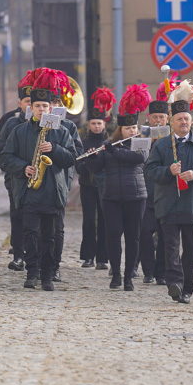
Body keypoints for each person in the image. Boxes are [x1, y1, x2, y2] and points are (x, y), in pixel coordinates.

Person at [0, 69, 77, 290]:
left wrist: (54, 149)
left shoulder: (61, 131)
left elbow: (71, 158)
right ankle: (31, 273)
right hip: (29, 190)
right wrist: (23, 168)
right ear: (30, 108)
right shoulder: (19, 131)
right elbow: (5, 157)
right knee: (30, 234)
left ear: (50, 108)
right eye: (37, 106)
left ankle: (47, 275)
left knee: (50, 237)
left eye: (45, 106)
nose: (41, 109)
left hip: (52, 191)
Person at [144, 81, 193, 304]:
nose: (183, 122)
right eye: (179, 119)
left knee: (191, 250)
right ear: (171, 123)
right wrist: (168, 171)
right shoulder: (162, 145)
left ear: (191, 121)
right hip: (168, 203)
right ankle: (173, 283)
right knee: (171, 247)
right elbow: (150, 169)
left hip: (192, 204)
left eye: (186, 119)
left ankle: (187, 288)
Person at [87, 85, 150, 290]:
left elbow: (137, 159)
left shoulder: (141, 143)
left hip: (136, 196)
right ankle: (116, 274)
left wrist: (113, 151)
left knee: (133, 237)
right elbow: (97, 169)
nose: (132, 131)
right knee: (113, 235)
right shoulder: (109, 145)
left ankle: (129, 276)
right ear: (120, 130)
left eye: (134, 128)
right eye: (128, 129)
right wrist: (92, 158)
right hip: (111, 197)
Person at [0, 69, 35, 271]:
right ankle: (18, 254)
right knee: (17, 215)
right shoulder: (10, 120)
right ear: (20, 102)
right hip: (16, 177)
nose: (29, 105)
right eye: (26, 101)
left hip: (41, 176)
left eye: (31, 101)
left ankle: (35, 254)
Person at [75, 88, 115, 269]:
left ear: (104, 124)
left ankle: (103, 258)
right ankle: (88, 256)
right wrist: (88, 161)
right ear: (89, 125)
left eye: (99, 123)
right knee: (89, 220)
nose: (97, 127)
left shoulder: (109, 142)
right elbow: (78, 166)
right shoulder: (83, 142)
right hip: (88, 185)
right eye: (93, 124)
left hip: (105, 185)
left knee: (105, 221)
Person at [139, 80, 172, 285]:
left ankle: (161, 273)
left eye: (162, 117)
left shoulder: (173, 139)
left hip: (165, 193)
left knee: (164, 236)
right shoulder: (141, 137)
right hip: (145, 193)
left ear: (167, 119)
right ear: (148, 119)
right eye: (155, 117)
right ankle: (148, 271)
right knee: (144, 233)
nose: (158, 121)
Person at [49, 87, 83, 283]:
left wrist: (56, 148)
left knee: (57, 228)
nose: (54, 108)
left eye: (57, 105)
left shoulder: (69, 127)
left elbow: (76, 153)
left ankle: (55, 266)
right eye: (51, 105)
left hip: (60, 180)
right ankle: (37, 265)